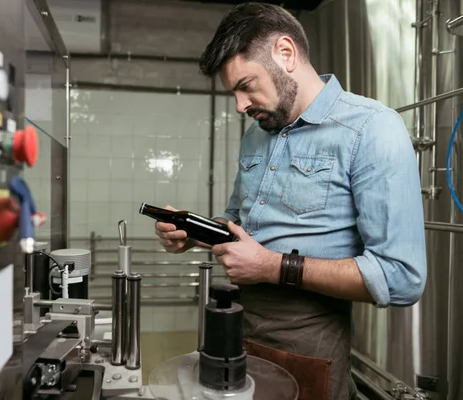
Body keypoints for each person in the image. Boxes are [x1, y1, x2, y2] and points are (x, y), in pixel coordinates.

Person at [153, 3, 427, 400]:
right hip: (239, 336)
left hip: (311, 350)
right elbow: (238, 221)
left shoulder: (371, 128)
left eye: (246, 85)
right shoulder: (257, 133)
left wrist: (270, 267)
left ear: (286, 53)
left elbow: (401, 277)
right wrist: (196, 231)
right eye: (233, 92)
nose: (239, 106)